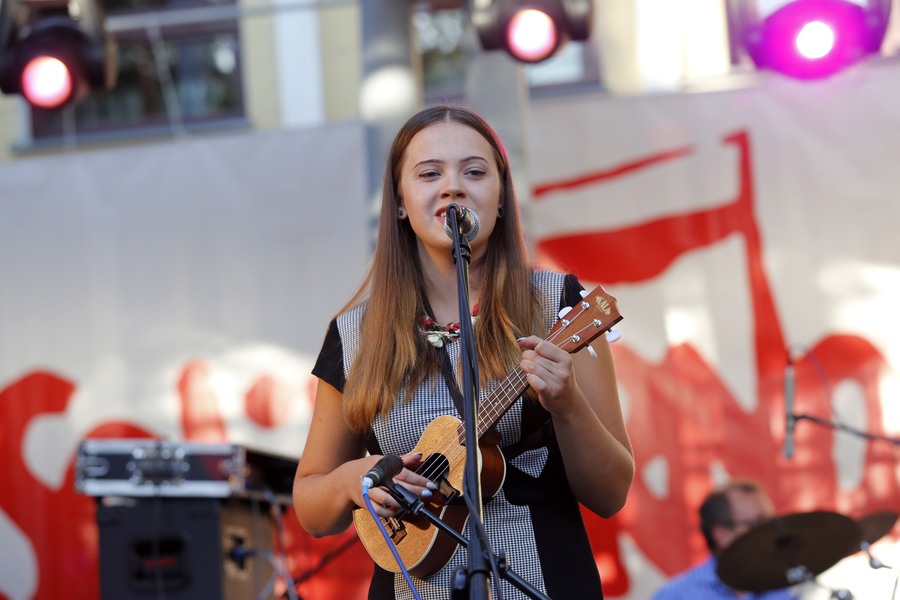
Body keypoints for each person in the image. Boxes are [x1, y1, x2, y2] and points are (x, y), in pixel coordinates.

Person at [292, 104, 634, 600]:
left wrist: (568, 404)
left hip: (542, 582)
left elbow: (611, 494)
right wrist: (351, 479)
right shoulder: (354, 333)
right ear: (402, 203)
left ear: (499, 198)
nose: (453, 186)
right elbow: (311, 507)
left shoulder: (558, 305)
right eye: (430, 173)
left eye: (474, 171)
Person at [651, 479, 797, 599]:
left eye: (770, 523)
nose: (769, 532)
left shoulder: (786, 588)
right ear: (722, 535)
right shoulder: (677, 595)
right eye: (757, 524)